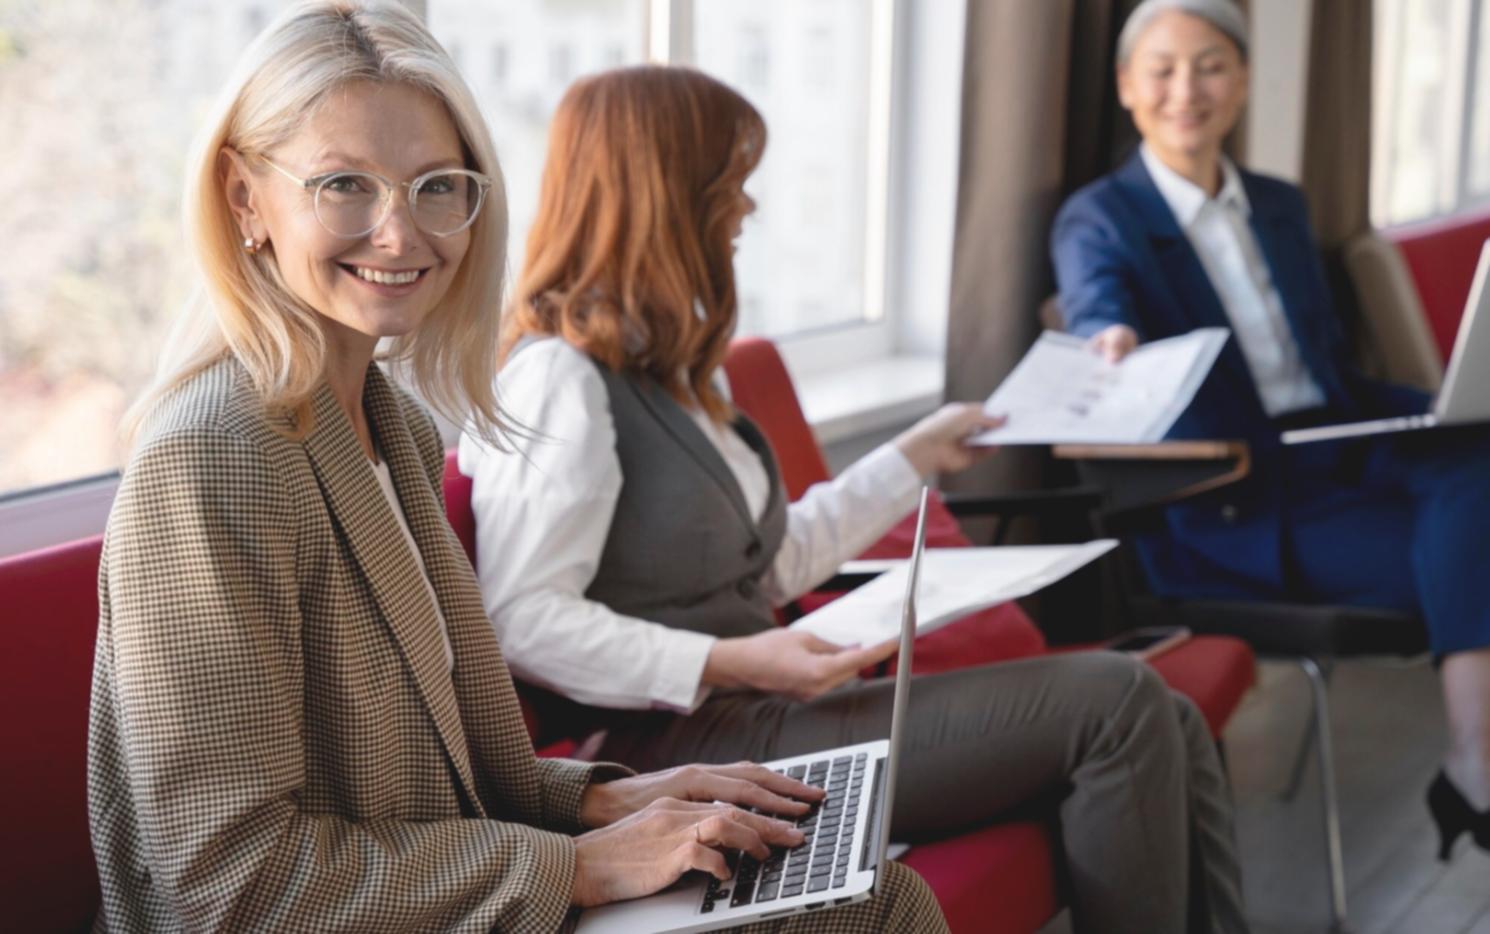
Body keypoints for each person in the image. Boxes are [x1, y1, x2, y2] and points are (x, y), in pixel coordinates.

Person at [87, 3, 949, 931]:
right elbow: (230, 881)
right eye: (344, 185)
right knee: (876, 908)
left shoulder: (389, 423)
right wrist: (576, 867)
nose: (399, 233)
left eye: (435, 187)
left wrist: (604, 800)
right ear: (244, 198)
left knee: (849, 877)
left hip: (439, 890)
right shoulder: (213, 459)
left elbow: (439, 780)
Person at [459, 64, 1249, 934]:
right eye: (730, 184)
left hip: (760, 715)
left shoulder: (671, 369)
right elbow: (522, 620)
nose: (747, 208)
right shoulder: (560, 380)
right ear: (667, 196)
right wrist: (731, 660)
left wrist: (916, 456)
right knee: (1118, 701)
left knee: (1166, 712)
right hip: (681, 749)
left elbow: (769, 564)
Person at [1051, 0, 1490, 858]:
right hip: (1234, 496)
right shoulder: (1100, 217)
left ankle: (1475, 761)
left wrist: (1434, 408)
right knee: (1477, 543)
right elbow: (1097, 301)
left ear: (1243, 81)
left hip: (1336, 446)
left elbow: (1324, 365)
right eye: (1163, 69)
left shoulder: (1281, 205)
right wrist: (1110, 337)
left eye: (1211, 66)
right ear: (1127, 86)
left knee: (1474, 447)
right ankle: (1477, 761)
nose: (1187, 90)